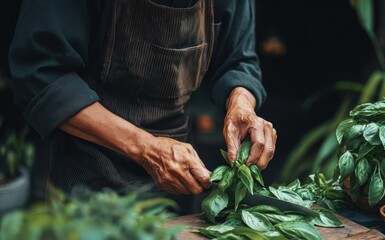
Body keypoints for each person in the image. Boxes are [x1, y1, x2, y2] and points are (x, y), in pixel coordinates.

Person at [9, 0, 277, 198]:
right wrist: (147, 148)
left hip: (179, 173)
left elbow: (238, 61)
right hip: (87, 176)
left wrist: (241, 102)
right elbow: (43, 75)